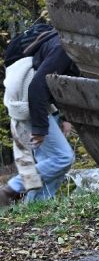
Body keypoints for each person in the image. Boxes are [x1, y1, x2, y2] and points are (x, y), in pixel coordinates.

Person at [1, 30, 76, 206]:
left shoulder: (70, 46)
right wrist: (40, 129)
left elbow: (66, 83)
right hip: (29, 100)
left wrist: (64, 117)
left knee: (50, 164)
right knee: (62, 158)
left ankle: (34, 208)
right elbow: (36, 87)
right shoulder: (63, 47)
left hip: (40, 102)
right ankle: (10, 189)